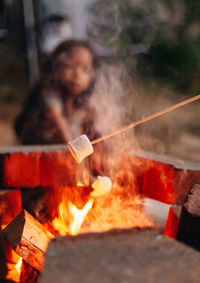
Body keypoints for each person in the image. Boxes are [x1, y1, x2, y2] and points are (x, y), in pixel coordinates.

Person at [15, 39, 108, 176]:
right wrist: (76, 154)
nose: (77, 74)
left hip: (69, 166)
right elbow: (57, 120)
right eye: (70, 66)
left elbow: (93, 132)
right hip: (42, 163)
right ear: (56, 67)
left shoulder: (84, 105)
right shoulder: (49, 94)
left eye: (85, 69)